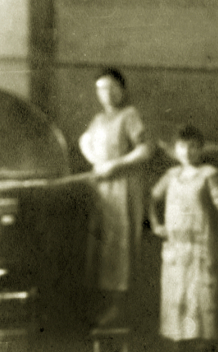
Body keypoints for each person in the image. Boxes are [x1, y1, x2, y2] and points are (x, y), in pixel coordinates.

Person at [148, 125, 218, 352]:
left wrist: (208, 223)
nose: (187, 151)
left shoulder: (210, 174)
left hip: (203, 249)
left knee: (205, 302)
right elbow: (152, 198)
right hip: (176, 252)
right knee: (178, 301)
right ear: (175, 150)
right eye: (182, 146)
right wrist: (156, 225)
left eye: (193, 146)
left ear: (201, 148)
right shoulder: (171, 175)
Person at [78, 68, 154, 327]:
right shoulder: (98, 120)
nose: (106, 94)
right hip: (102, 190)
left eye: (111, 88)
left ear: (122, 90)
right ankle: (104, 306)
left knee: (120, 248)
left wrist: (115, 165)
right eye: (101, 89)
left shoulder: (130, 115)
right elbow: (85, 141)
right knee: (101, 246)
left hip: (123, 188)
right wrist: (95, 160)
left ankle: (120, 308)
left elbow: (146, 150)